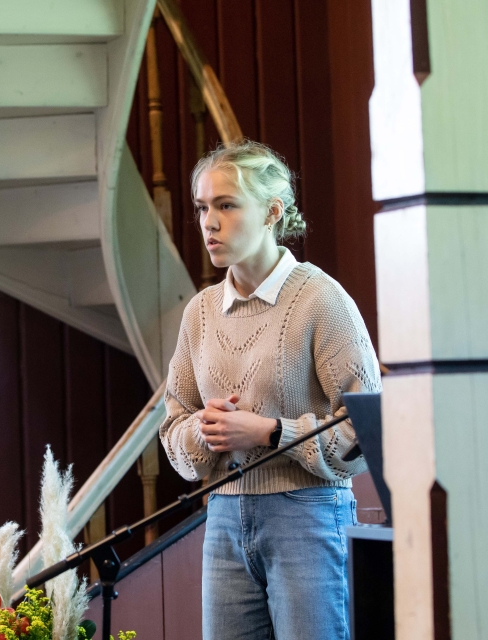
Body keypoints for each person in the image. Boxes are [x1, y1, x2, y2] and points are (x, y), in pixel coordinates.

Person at [159, 140, 380, 640]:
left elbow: (365, 432)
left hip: (309, 517)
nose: (208, 222)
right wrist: (204, 430)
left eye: (226, 205)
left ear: (272, 212)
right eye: (202, 207)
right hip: (222, 519)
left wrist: (269, 432)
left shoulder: (321, 300)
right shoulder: (199, 313)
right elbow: (173, 427)